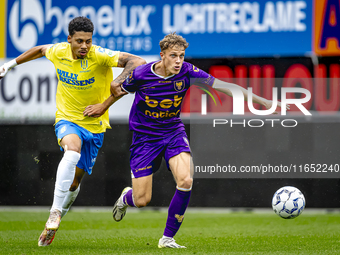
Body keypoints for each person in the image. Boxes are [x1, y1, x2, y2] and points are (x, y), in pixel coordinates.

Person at [86, 32, 283, 248]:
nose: (179, 61)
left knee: (186, 180)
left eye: (181, 55)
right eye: (173, 56)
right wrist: (102, 107)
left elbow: (225, 87)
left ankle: (167, 238)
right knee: (142, 200)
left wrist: (262, 102)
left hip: (173, 132)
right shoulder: (142, 74)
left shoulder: (188, 72)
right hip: (145, 137)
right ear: (162, 56)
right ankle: (126, 198)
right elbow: (119, 91)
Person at [0, 16, 146, 247]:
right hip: (67, 119)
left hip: (95, 126)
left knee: (74, 183)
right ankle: (55, 212)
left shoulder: (99, 55)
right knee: (72, 149)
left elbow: (137, 61)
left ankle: (56, 221)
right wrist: (9, 65)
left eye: (88, 41)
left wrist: (114, 86)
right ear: (69, 39)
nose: (84, 46)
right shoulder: (58, 52)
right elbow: (39, 50)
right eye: (79, 41)